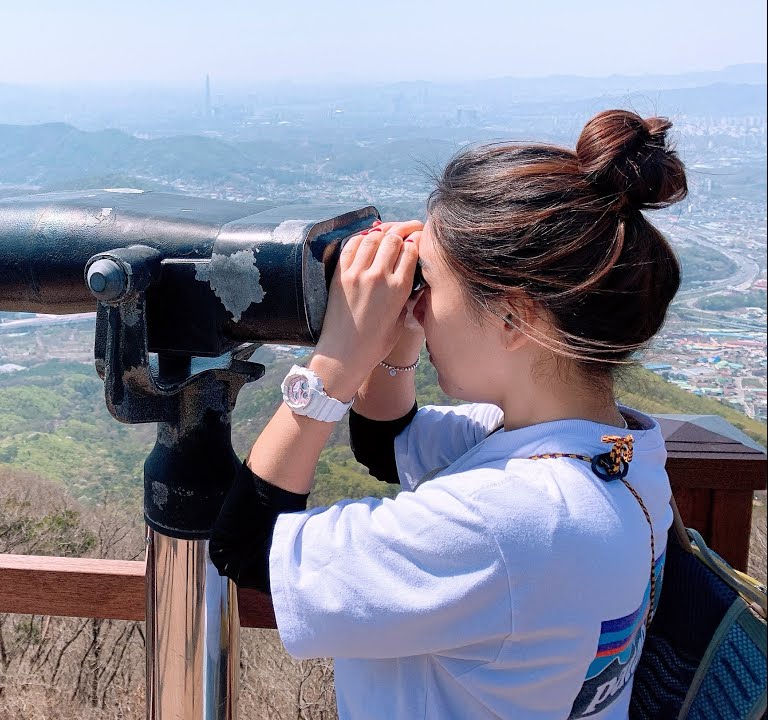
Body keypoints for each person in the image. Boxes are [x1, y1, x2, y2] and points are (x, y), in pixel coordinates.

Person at [209, 109, 688, 719]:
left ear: (514, 319)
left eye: (428, 283)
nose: (419, 302)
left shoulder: (509, 524)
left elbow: (249, 550)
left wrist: (336, 358)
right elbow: (387, 443)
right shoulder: (617, 452)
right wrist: (397, 337)